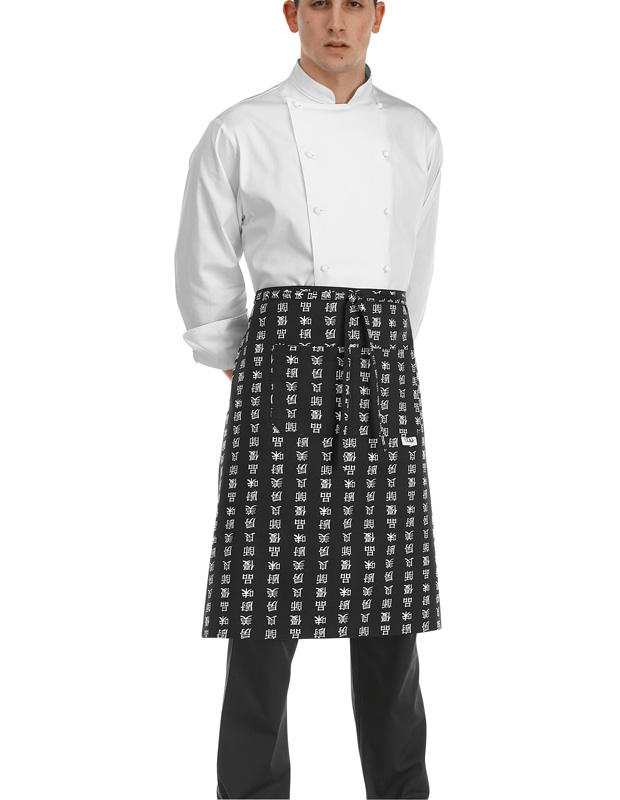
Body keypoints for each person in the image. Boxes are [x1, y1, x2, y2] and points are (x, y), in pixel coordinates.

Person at [174, 1, 444, 797]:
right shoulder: (240, 129)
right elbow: (204, 262)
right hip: (280, 369)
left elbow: (413, 270)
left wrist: (384, 358)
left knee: (390, 613)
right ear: (291, 12)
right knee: (264, 611)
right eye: (319, 1)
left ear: (379, 16)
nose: (337, 21)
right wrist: (243, 358)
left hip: (384, 368)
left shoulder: (417, 133)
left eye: (355, 3)